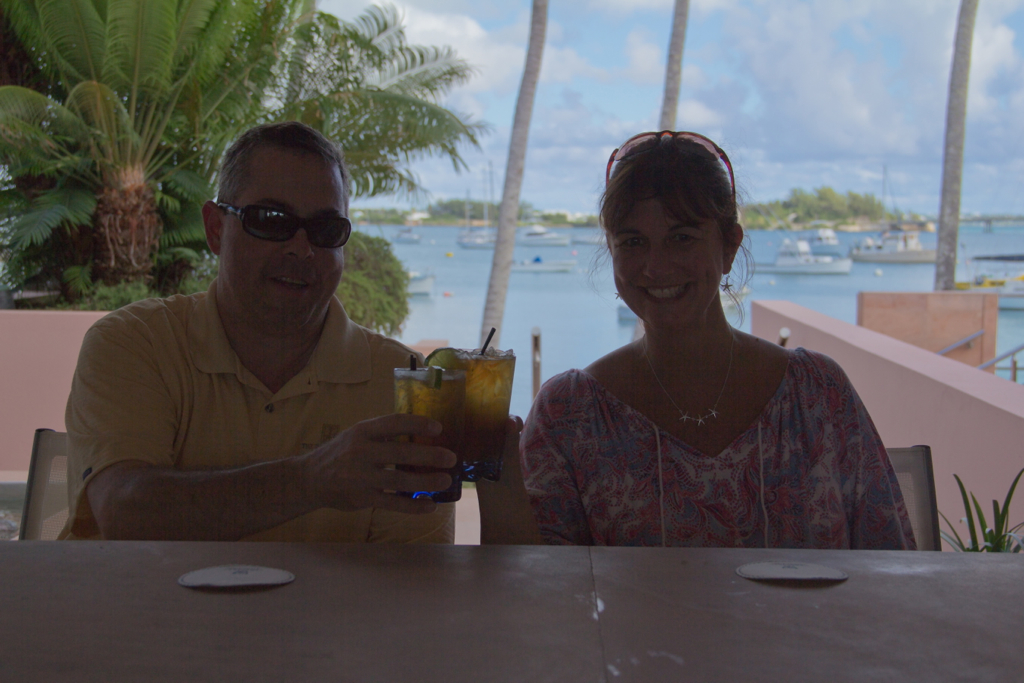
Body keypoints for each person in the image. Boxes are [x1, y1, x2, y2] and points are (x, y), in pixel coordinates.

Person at [60, 122, 463, 542]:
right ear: (215, 229)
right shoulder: (135, 342)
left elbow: (413, 583)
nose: (301, 248)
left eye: (326, 230)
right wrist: (312, 479)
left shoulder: (404, 381)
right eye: (271, 220)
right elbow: (125, 512)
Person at [519, 130, 915, 549]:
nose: (655, 267)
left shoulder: (817, 394)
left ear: (729, 247)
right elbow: (542, 589)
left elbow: (892, 563)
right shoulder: (571, 415)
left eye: (681, 238)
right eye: (634, 242)